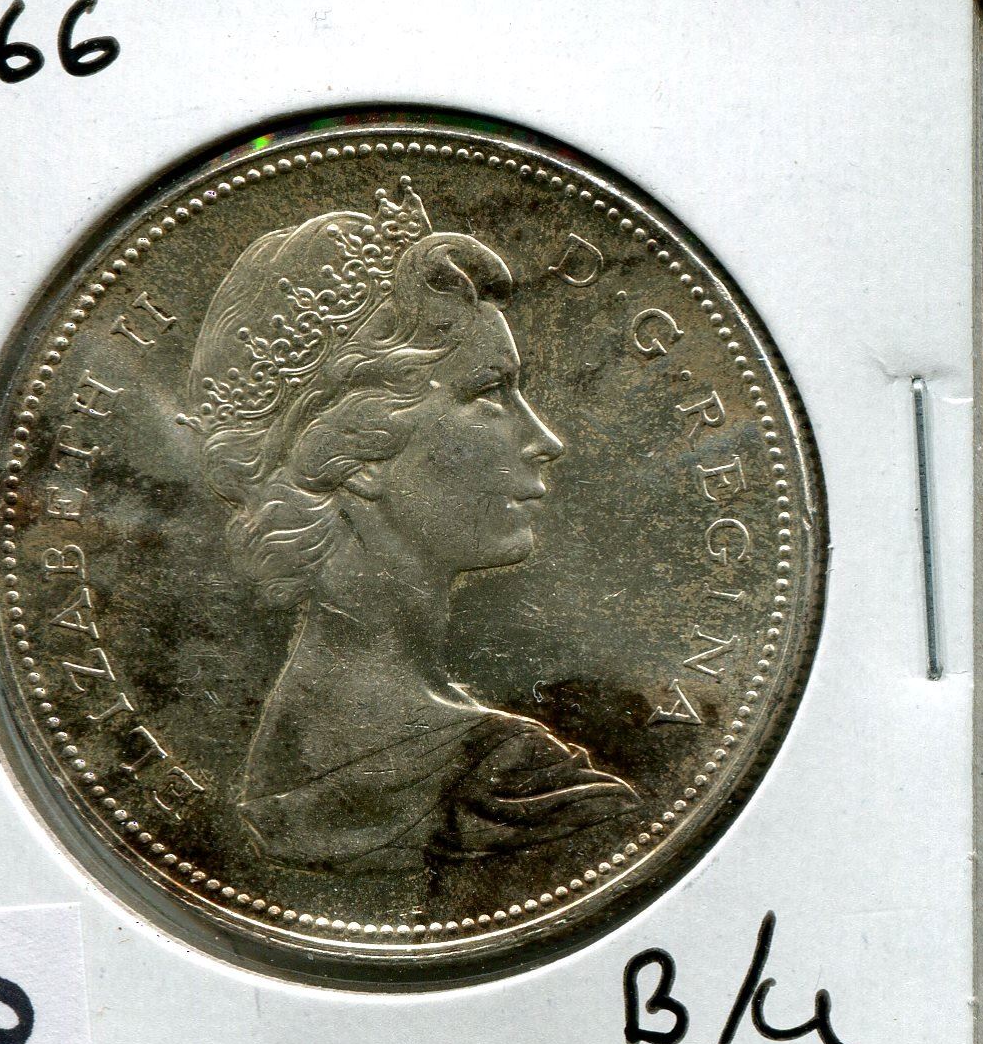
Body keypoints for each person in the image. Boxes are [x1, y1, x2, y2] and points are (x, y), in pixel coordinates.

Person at [180, 176, 639, 872]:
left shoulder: (284, 761)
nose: (544, 440)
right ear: (356, 451)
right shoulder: (511, 784)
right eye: (489, 393)